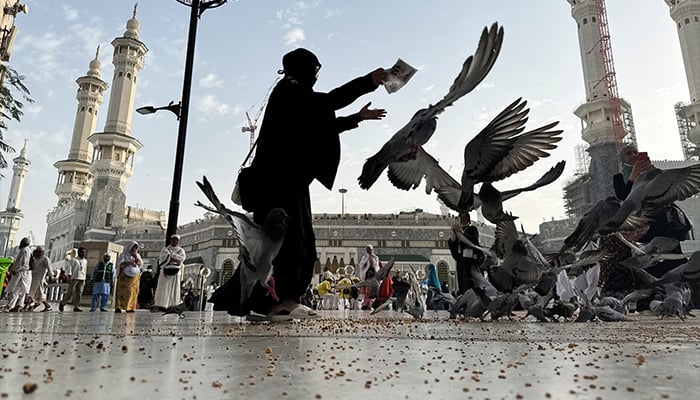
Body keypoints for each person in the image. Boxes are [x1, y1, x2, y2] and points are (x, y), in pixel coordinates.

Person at [224, 48, 387, 320]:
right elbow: (328, 102)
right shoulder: (288, 90)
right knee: (288, 243)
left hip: (287, 181)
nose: (316, 75)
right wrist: (367, 82)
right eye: (314, 70)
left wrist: (357, 118)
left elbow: (322, 124)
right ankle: (277, 303)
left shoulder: (294, 94)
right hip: (278, 183)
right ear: (304, 69)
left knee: (296, 242)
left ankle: (278, 301)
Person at [448, 212, 485, 295]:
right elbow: (452, 243)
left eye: (464, 218)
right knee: (462, 282)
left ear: (467, 219)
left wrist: (462, 233)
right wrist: (454, 234)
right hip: (461, 261)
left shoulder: (472, 229)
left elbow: (473, 240)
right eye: (460, 218)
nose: (462, 220)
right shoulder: (457, 230)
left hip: (470, 261)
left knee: (469, 282)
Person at [153, 234, 185, 312]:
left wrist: (171, 257)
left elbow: (181, 259)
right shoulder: (165, 249)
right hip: (165, 272)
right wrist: (172, 259)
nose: (175, 241)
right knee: (164, 288)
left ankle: (172, 305)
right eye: (173, 239)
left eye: (176, 240)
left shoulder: (181, 250)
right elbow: (163, 260)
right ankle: (161, 305)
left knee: (174, 289)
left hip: (176, 273)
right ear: (170, 240)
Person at [2, 237, 32, 312]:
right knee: (21, 291)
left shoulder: (24, 250)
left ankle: (10, 306)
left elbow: (22, 262)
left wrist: (15, 270)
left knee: (14, 289)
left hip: (20, 273)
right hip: (25, 273)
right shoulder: (29, 250)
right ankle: (19, 305)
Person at [114, 241, 142, 313]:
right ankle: (119, 307)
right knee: (123, 293)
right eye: (133, 248)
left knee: (132, 292)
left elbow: (140, 264)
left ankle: (130, 307)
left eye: (135, 248)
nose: (134, 249)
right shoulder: (123, 255)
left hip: (134, 278)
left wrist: (135, 257)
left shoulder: (137, 255)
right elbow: (120, 264)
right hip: (124, 278)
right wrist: (129, 263)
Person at [59, 247, 87, 312]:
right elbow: (69, 268)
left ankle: (76, 306)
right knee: (70, 292)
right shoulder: (74, 260)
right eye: (81, 252)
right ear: (79, 252)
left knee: (79, 293)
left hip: (82, 278)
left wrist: (84, 279)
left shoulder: (85, 261)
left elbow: (84, 270)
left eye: (84, 252)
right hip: (74, 277)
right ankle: (62, 303)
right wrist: (69, 276)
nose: (82, 253)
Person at [26, 246, 54, 312]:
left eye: (39, 252)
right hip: (33, 277)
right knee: (39, 294)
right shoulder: (36, 259)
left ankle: (27, 306)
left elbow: (49, 268)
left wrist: (50, 276)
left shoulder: (45, 259)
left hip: (40, 278)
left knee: (32, 292)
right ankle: (46, 306)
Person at [358, 245, 380, 310]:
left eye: (369, 249)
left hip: (373, 274)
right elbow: (361, 265)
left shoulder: (375, 257)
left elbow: (377, 265)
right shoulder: (364, 257)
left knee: (372, 291)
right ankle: (365, 304)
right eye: (367, 249)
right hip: (367, 275)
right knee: (367, 291)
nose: (368, 251)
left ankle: (370, 304)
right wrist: (364, 265)